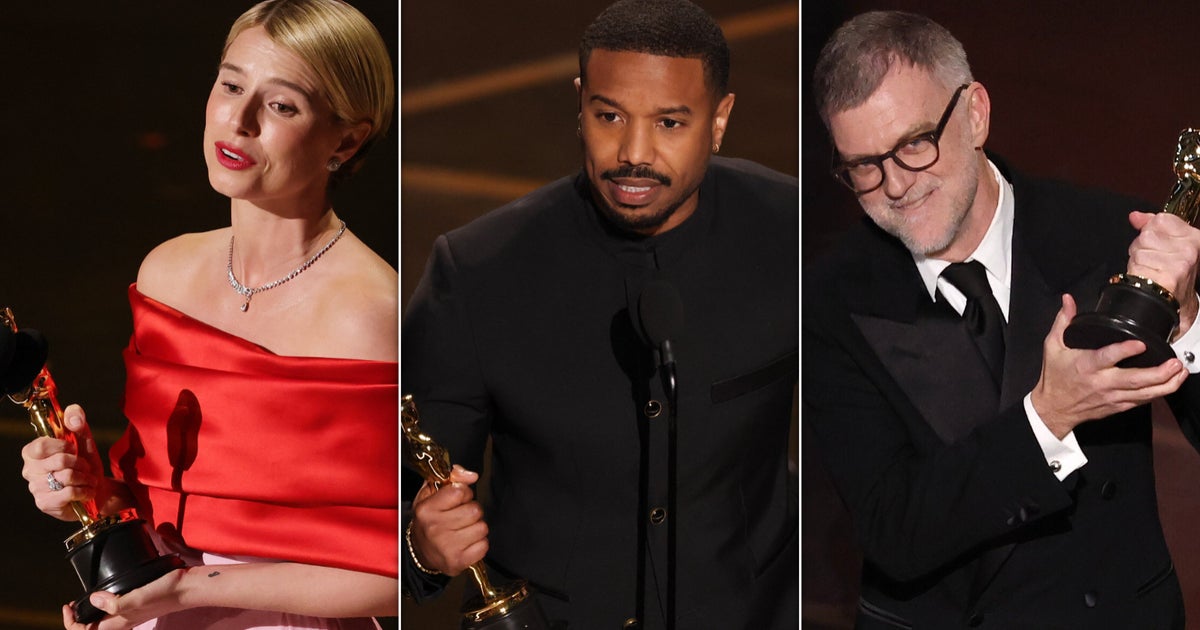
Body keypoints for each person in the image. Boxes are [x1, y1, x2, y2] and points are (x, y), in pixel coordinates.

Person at [401, 0, 798, 628]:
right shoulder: (476, 272)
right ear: (580, 104)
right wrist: (419, 546)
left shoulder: (789, 232)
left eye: (669, 122)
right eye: (609, 116)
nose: (632, 153)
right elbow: (398, 500)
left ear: (719, 120)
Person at [805, 10, 1200, 629]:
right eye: (863, 166)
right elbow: (894, 531)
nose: (896, 185)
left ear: (975, 114)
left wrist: (1188, 320)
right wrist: (1048, 416)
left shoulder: (1108, 236)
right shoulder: (830, 299)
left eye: (914, 144)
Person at [19, 0, 398, 628]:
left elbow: (401, 569)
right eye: (231, 85)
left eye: (282, 105)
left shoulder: (368, 314)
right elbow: (150, 504)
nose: (238, 121)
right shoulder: (166, 274)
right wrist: (89, 491)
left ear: (348, 139)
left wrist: (192, 589)